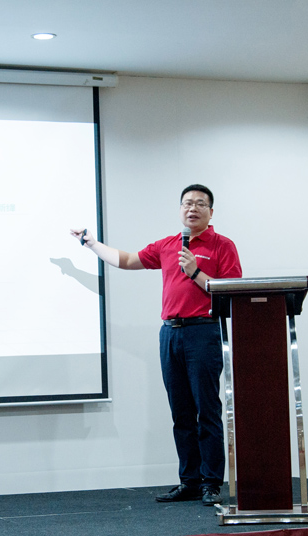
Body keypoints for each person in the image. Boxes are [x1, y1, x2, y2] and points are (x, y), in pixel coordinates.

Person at [71, 184, 241, 506]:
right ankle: (189, 481)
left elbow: (231, 294)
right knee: (181, 413)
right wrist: (91, 243)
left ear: (211, 212)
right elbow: (127, 260)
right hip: (170, 334)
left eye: (200, 204)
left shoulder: (222, 246)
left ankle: (211, 483)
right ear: (180, 209)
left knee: (207, 410)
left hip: (203, 332)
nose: (192, 208)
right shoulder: (168, 245)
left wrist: (195, 272)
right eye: (187, 203)